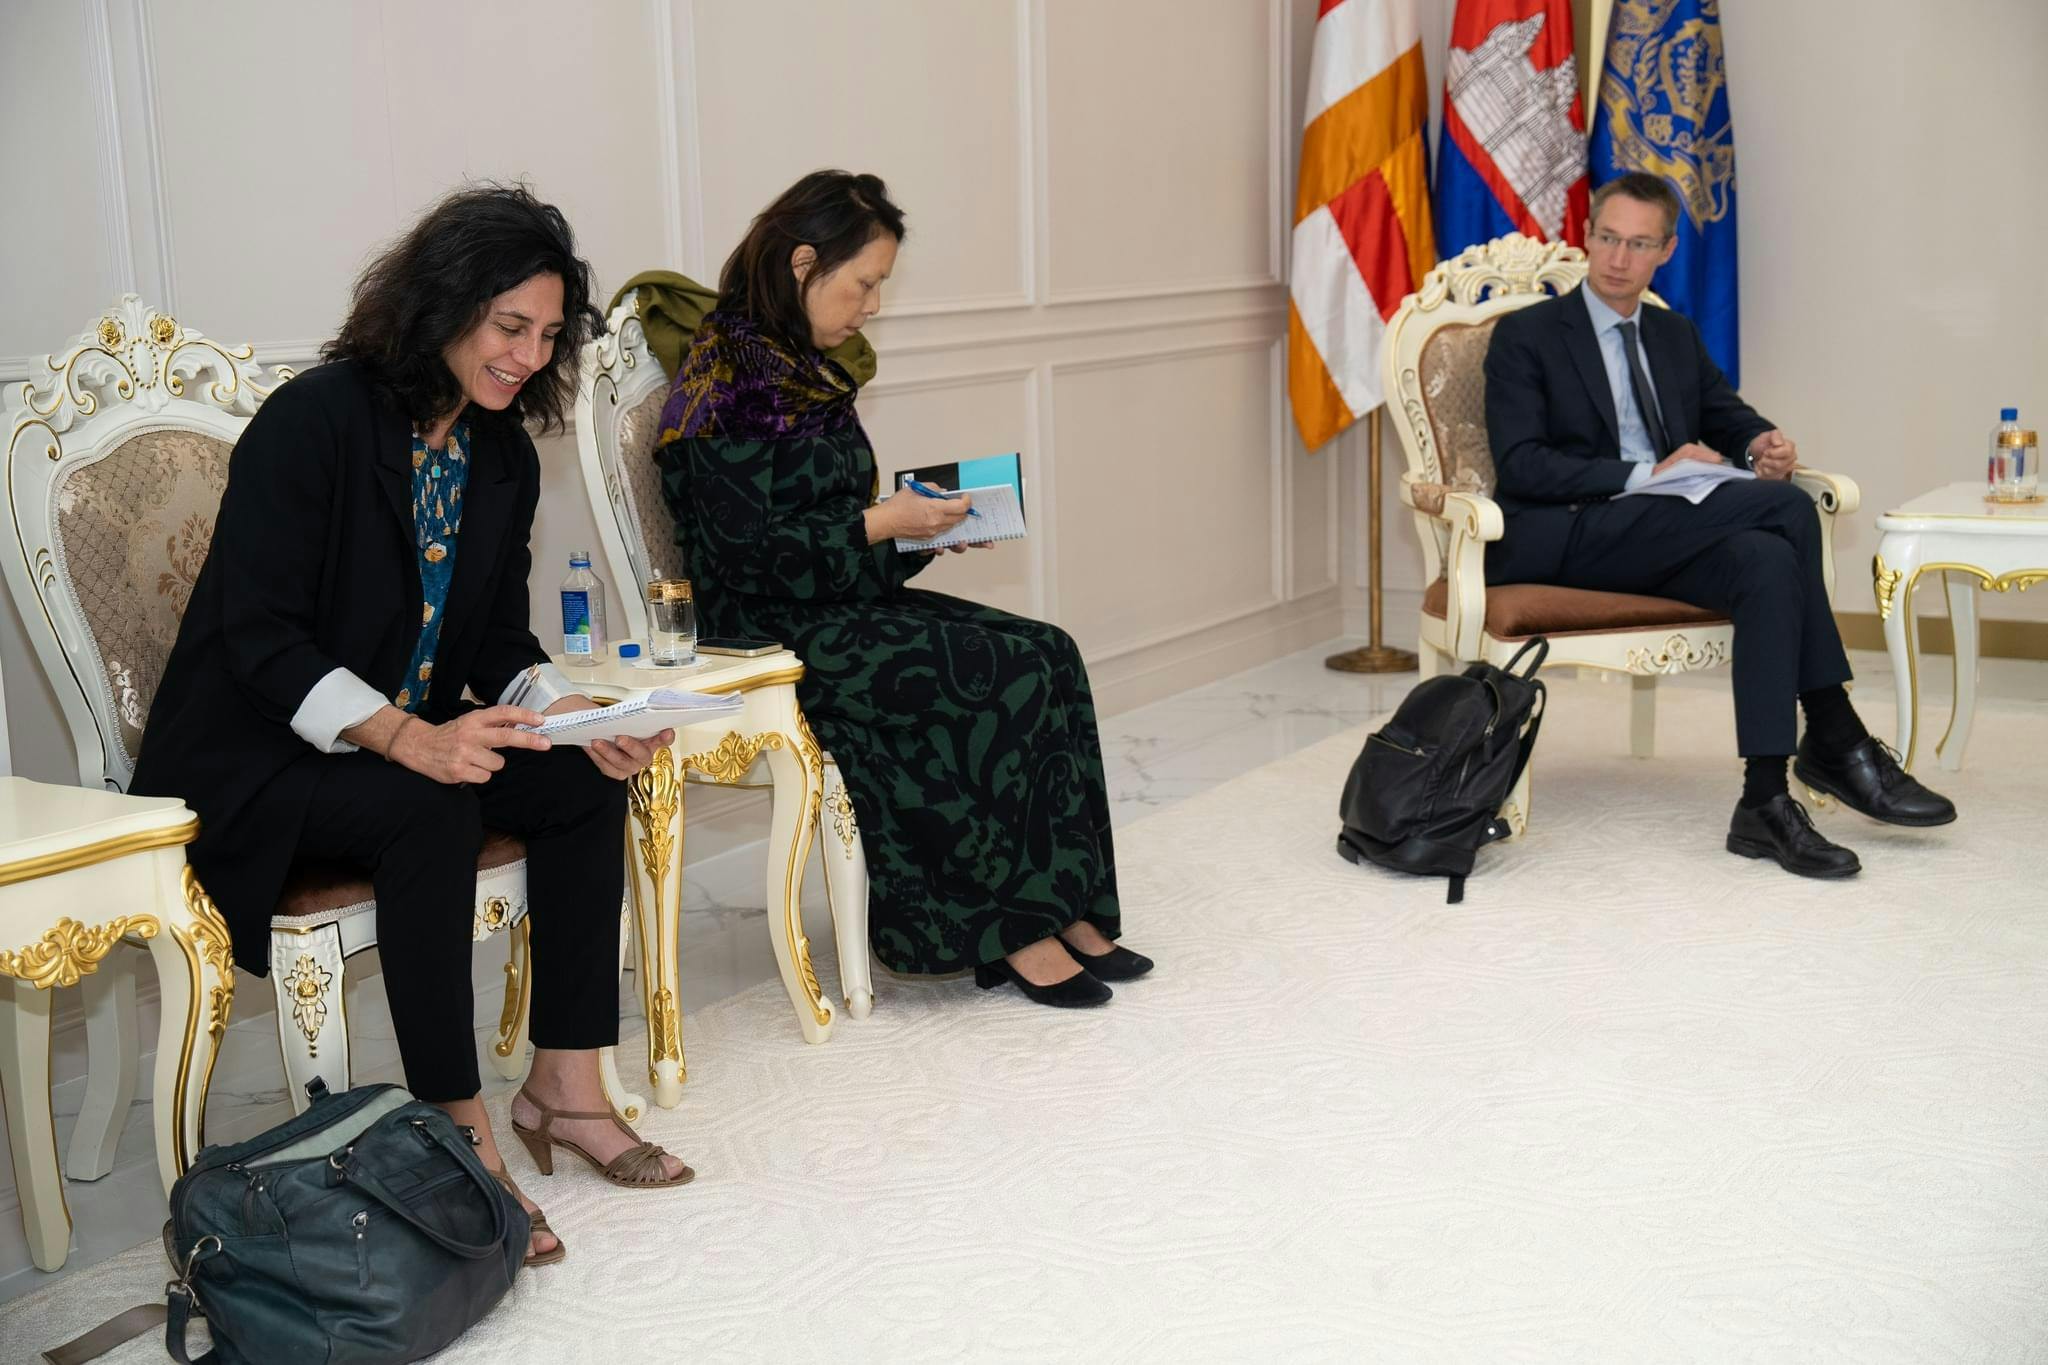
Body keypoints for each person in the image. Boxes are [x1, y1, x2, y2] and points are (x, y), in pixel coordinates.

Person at [133, 184, 693, 1268]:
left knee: (583, 778)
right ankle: (461, 1134)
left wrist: (569, 716)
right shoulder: (315, 422)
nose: (527, 357)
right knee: (431, 805)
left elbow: (495, 642)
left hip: (394, 748)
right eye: (508, 327)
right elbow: (260, 638)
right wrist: (406, 737)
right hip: (253, 759)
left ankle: (567, 1087)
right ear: (443, 305)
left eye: (547, 336)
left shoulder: (501, 454)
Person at [653, 170, 1149, 1007]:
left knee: (1048, 652)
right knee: (999, 673)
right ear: (803, 264)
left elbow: (838, 524)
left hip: (826, 603)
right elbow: (748, 557)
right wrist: (883, 524)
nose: (873, 306)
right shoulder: (723, 384)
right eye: (865, 283)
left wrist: (919, 530)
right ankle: (1009, 929)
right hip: (759, 630)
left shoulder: (802, 369)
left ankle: (1066, 905)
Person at [1482, 172, 1955, 878]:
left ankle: (1763, 800)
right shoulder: (1527, 335)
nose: (1618, 258)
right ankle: (1834, 733)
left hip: (1658, 534)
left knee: (1767, 561)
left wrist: (1762, 442)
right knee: (1786, 509)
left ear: (1666, 251)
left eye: (1639, 244)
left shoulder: (1672, 333)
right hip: (1569, 534)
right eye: (1607, 238)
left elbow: (1725, 414)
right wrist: (1647, 474)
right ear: (1586, 234)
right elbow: (1522, 466)